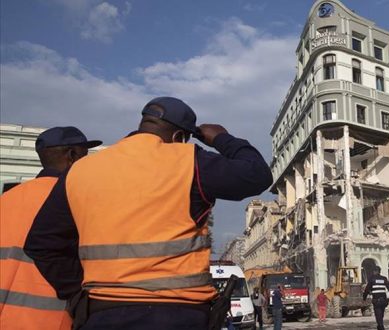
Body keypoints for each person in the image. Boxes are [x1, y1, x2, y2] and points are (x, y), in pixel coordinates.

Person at [24, 97, 273, 329]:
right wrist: (222, 138)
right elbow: (257, 175)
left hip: (101, 311)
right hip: (178, 313)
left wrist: (76, 292)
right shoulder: (189, 160)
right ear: (179, 136)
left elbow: (42, 243)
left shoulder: (81, 170)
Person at [0, 126, 101, 330]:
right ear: (72, 155)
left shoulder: (8, 198)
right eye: (85, 154)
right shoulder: (76, 200)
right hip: (49, 319)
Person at [363, 266, 389, 330]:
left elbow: (366, 290)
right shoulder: (384, 279)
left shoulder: (372, 279)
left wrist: (364, 298)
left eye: (373, 271)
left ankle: (381, 327)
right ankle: (380, 326)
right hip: (384, 301)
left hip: (376, 301)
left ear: (374, 271)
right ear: (379, 271)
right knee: (381, 315)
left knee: (378, 315)